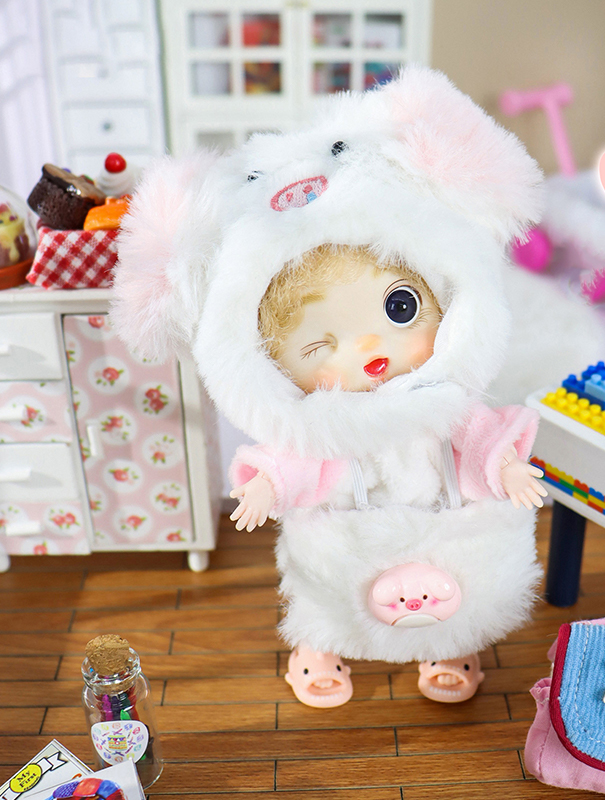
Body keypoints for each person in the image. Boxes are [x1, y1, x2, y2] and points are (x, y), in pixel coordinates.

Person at [112, 65, 546, 708]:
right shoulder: (323, 425)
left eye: (400, 309)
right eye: (321, 347)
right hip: (349, 539)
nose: (369, 350)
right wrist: (266, 485)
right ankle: (318, 644)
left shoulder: (446, 403)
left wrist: (503, 466)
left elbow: (481, 438)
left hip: (444, 530)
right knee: (325, 592)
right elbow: (295, 463)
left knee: (458, 594)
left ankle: (451, 644)